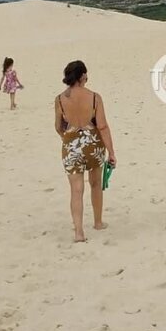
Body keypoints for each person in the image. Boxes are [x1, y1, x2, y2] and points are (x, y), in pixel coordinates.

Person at [52, 60, 116, 242]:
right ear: (82, 76)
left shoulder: (59, 99)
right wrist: (111, 152)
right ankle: (98, 222)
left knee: (76, 190)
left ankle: (79, 232)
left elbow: (58, 126)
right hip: (93, 144)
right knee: (95, 184)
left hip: (71, 144)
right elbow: (102, 126)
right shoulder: (95, 97)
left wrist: (69, 139)